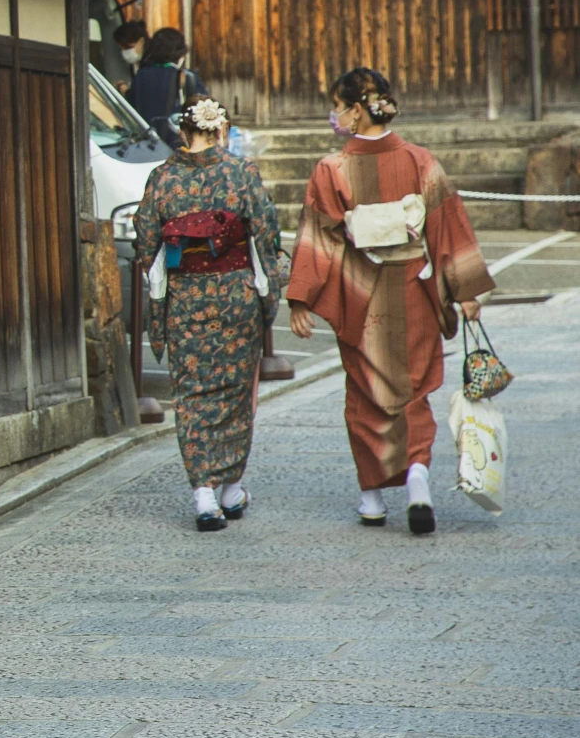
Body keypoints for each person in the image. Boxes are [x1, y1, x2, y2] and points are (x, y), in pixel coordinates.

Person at [287, 67, 493, 535]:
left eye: (338, 107)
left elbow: (318, 235)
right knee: (414, 389)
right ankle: (418, 479)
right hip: (415, 286)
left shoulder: (332, 170)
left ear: (357, 110)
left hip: (361, 293)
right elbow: (447, 228)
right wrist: (464, 292)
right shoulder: (421, 161)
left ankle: (372, 496)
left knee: (365, 394)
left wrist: (301, 298)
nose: (335, 116)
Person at [135, 95, 287, 531]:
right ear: (221, 131)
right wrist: (268, 290)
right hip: (234, 292)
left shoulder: (162, 177)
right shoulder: (242, 173)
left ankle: (203, 493)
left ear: (183, 133)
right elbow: (266, 232)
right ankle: (231, 489)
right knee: (235, 389)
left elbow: (147, 241)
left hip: (185, 296)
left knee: (193, 391)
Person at [125, 27, 205, 147]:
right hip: (176, 144)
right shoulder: (185, 76)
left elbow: (131, 105)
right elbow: (206, 109)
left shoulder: (141, 75)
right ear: (180, 52)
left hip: (147, 144)